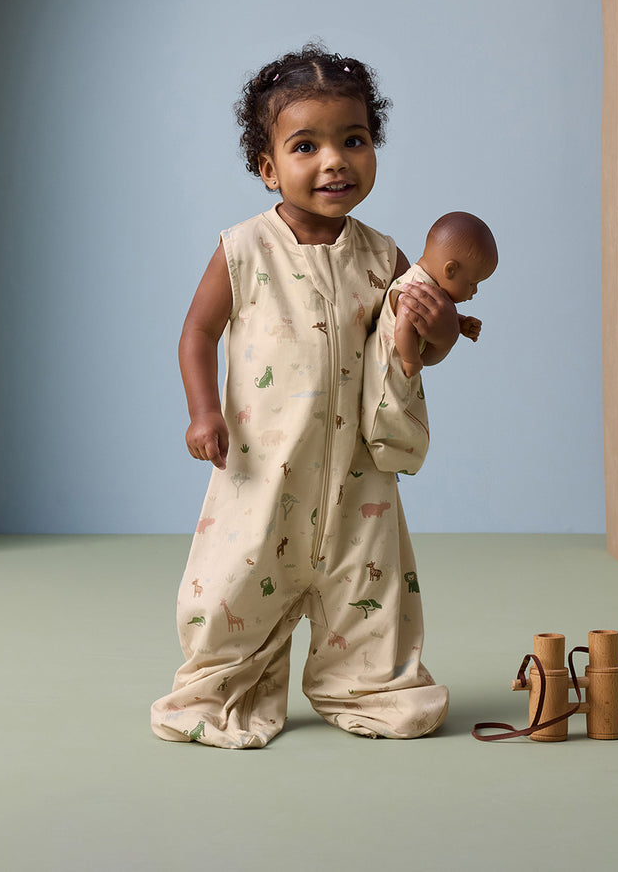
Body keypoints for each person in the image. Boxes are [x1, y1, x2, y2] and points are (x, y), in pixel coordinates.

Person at [150, 43, 460, 748]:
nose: (334, 161)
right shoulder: (244, 249)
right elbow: (196, 333)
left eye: (354, 140)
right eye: (306, 145)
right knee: (236, 584)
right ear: (268, 168)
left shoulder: (384, 256)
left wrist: (436, 328)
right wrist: (203, 410)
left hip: (359, 472)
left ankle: (370, 685)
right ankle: (222, 686)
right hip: (265, 469)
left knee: (368, 590)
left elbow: (416, 350)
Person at [362, 212, 497, 474]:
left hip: (396, 365)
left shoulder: (429, 288)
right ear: (451, 269)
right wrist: (412, 359)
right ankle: (388, 453)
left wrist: (457, 323)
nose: (474, 292)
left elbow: (428, 318)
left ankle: (396, 455)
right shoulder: (416, 288)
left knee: (405, 416)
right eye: (473, 283)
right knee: (390, 413)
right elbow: (404, 325)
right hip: (389, 366)